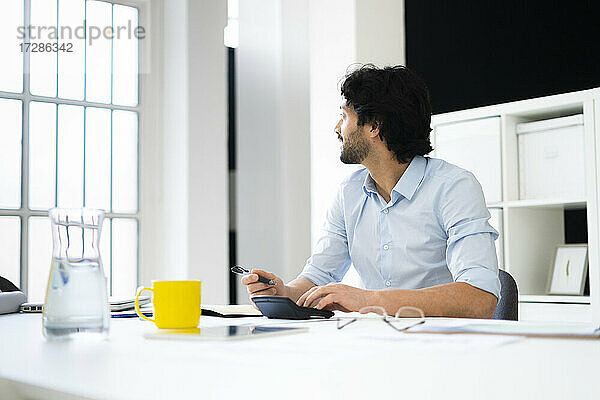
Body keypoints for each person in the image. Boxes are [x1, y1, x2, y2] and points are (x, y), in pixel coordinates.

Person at [242, 64, 500, 318]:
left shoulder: (454, 187)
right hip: (378, 344)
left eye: (344, 116)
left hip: (443, 349)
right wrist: (283, 293)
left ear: (374, 126)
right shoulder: (349, 193)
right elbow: (320, 276)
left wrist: (368, 300)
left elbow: (479, 297)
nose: (336, 128)